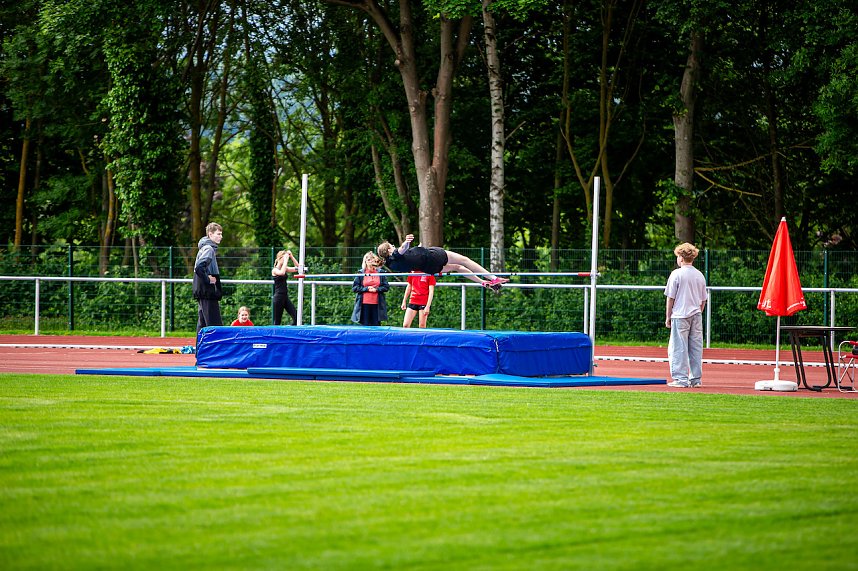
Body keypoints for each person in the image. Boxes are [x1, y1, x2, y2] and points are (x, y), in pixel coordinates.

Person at [376, 234, 509, 292]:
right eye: (391, 246)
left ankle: (483, 282)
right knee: (464, 260)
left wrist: (416, 247)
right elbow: (402, 249)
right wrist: (407, 241)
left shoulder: (391, 264)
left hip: (429, 268)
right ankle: (493, 278)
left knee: (457, 267)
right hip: (434, 256)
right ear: (388, 250)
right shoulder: (394, 255)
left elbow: (409, 257)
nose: (394, 246)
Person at [664, 242, 708, 388]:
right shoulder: (699, 275)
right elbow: (703, 300)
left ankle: (680, 379)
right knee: (695, 347)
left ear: (681, 258)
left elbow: (670, 297)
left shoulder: (676, 274)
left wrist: (668, 316)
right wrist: (698, 312)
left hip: (680, 314)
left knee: (678, 347)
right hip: (696, 314)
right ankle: (695, 379)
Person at [193, 222, 224, 335]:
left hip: (202, 291)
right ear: (210, 235)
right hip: (207, 291)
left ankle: (200, 348)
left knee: (203, 323)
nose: (221, 236)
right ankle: (216, 350)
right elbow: (199, 268)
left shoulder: (205, 248)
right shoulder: (209, 249)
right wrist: (208, 279)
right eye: (218, 234)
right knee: (213, 323)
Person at [351, 252, 390, 326]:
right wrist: (366, 289)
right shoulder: (361, 273)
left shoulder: (381, 273)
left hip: (377, 304)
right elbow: (355, 288)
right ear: (365, 261)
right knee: (365, 326)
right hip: (364, 304)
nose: (370, 262)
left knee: (376, 326)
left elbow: (386, 287)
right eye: (368, 260)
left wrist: (377, 289)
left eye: (372, 260)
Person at [271, 249, 299, 325]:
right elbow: (282, 272)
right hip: (278, 297)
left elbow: (298, 268)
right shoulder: (275, 270)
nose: (286, 261)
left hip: (285, 296)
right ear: (280, 259)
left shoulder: (285, 268)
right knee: (277, 321)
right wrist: (286, 260)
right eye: (284, 259)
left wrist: (291, 257)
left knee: (296, 317)